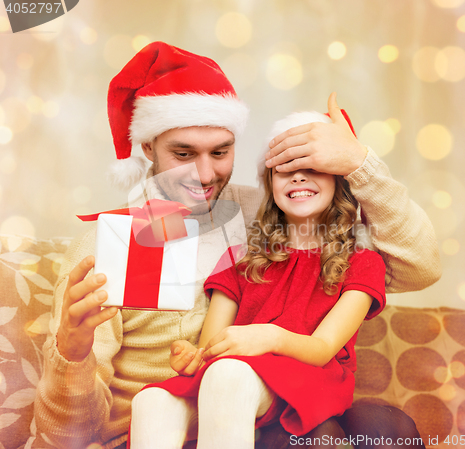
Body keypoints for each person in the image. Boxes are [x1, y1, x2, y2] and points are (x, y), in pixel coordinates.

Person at [34, 41, 439, 449]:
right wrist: (72, 354)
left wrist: (359, 164)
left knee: (384, 428)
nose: (205, 174)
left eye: (220, 152)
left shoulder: (263, 217)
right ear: (146, 147)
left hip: (261, 413)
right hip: (161, 424)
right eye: (183, 153)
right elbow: (63, 437)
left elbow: (418, 266)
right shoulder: (106, 247)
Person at [128, 110, 387, 449]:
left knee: (228, 375)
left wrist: (268, 337)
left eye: (312, 169)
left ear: (340, 182)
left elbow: (323, 350)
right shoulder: (244, 260)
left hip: (308, 377)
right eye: (285, 170)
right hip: (234, 376)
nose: (297, 178)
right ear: (269, 183)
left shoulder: (362, 262)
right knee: (152, 401)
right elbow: (212, 348)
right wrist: (193, 356)